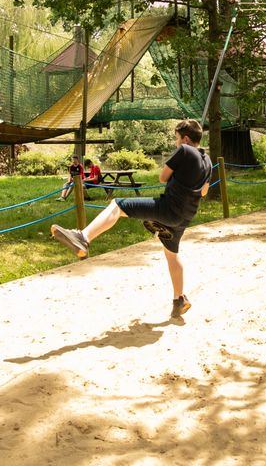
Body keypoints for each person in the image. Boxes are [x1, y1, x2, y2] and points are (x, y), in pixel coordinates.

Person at [50, 119, 212, 319]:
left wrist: (178, 170)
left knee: (118, 204)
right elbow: (204, 192)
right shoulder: (208, 161)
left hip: (169, 208)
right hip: (186, 216)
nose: (176, 143)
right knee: (171, 254)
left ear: (186, 139)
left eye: (177, 139)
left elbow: (162, 177)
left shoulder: (184, 151)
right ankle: (179, 300)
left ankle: (83, 237)